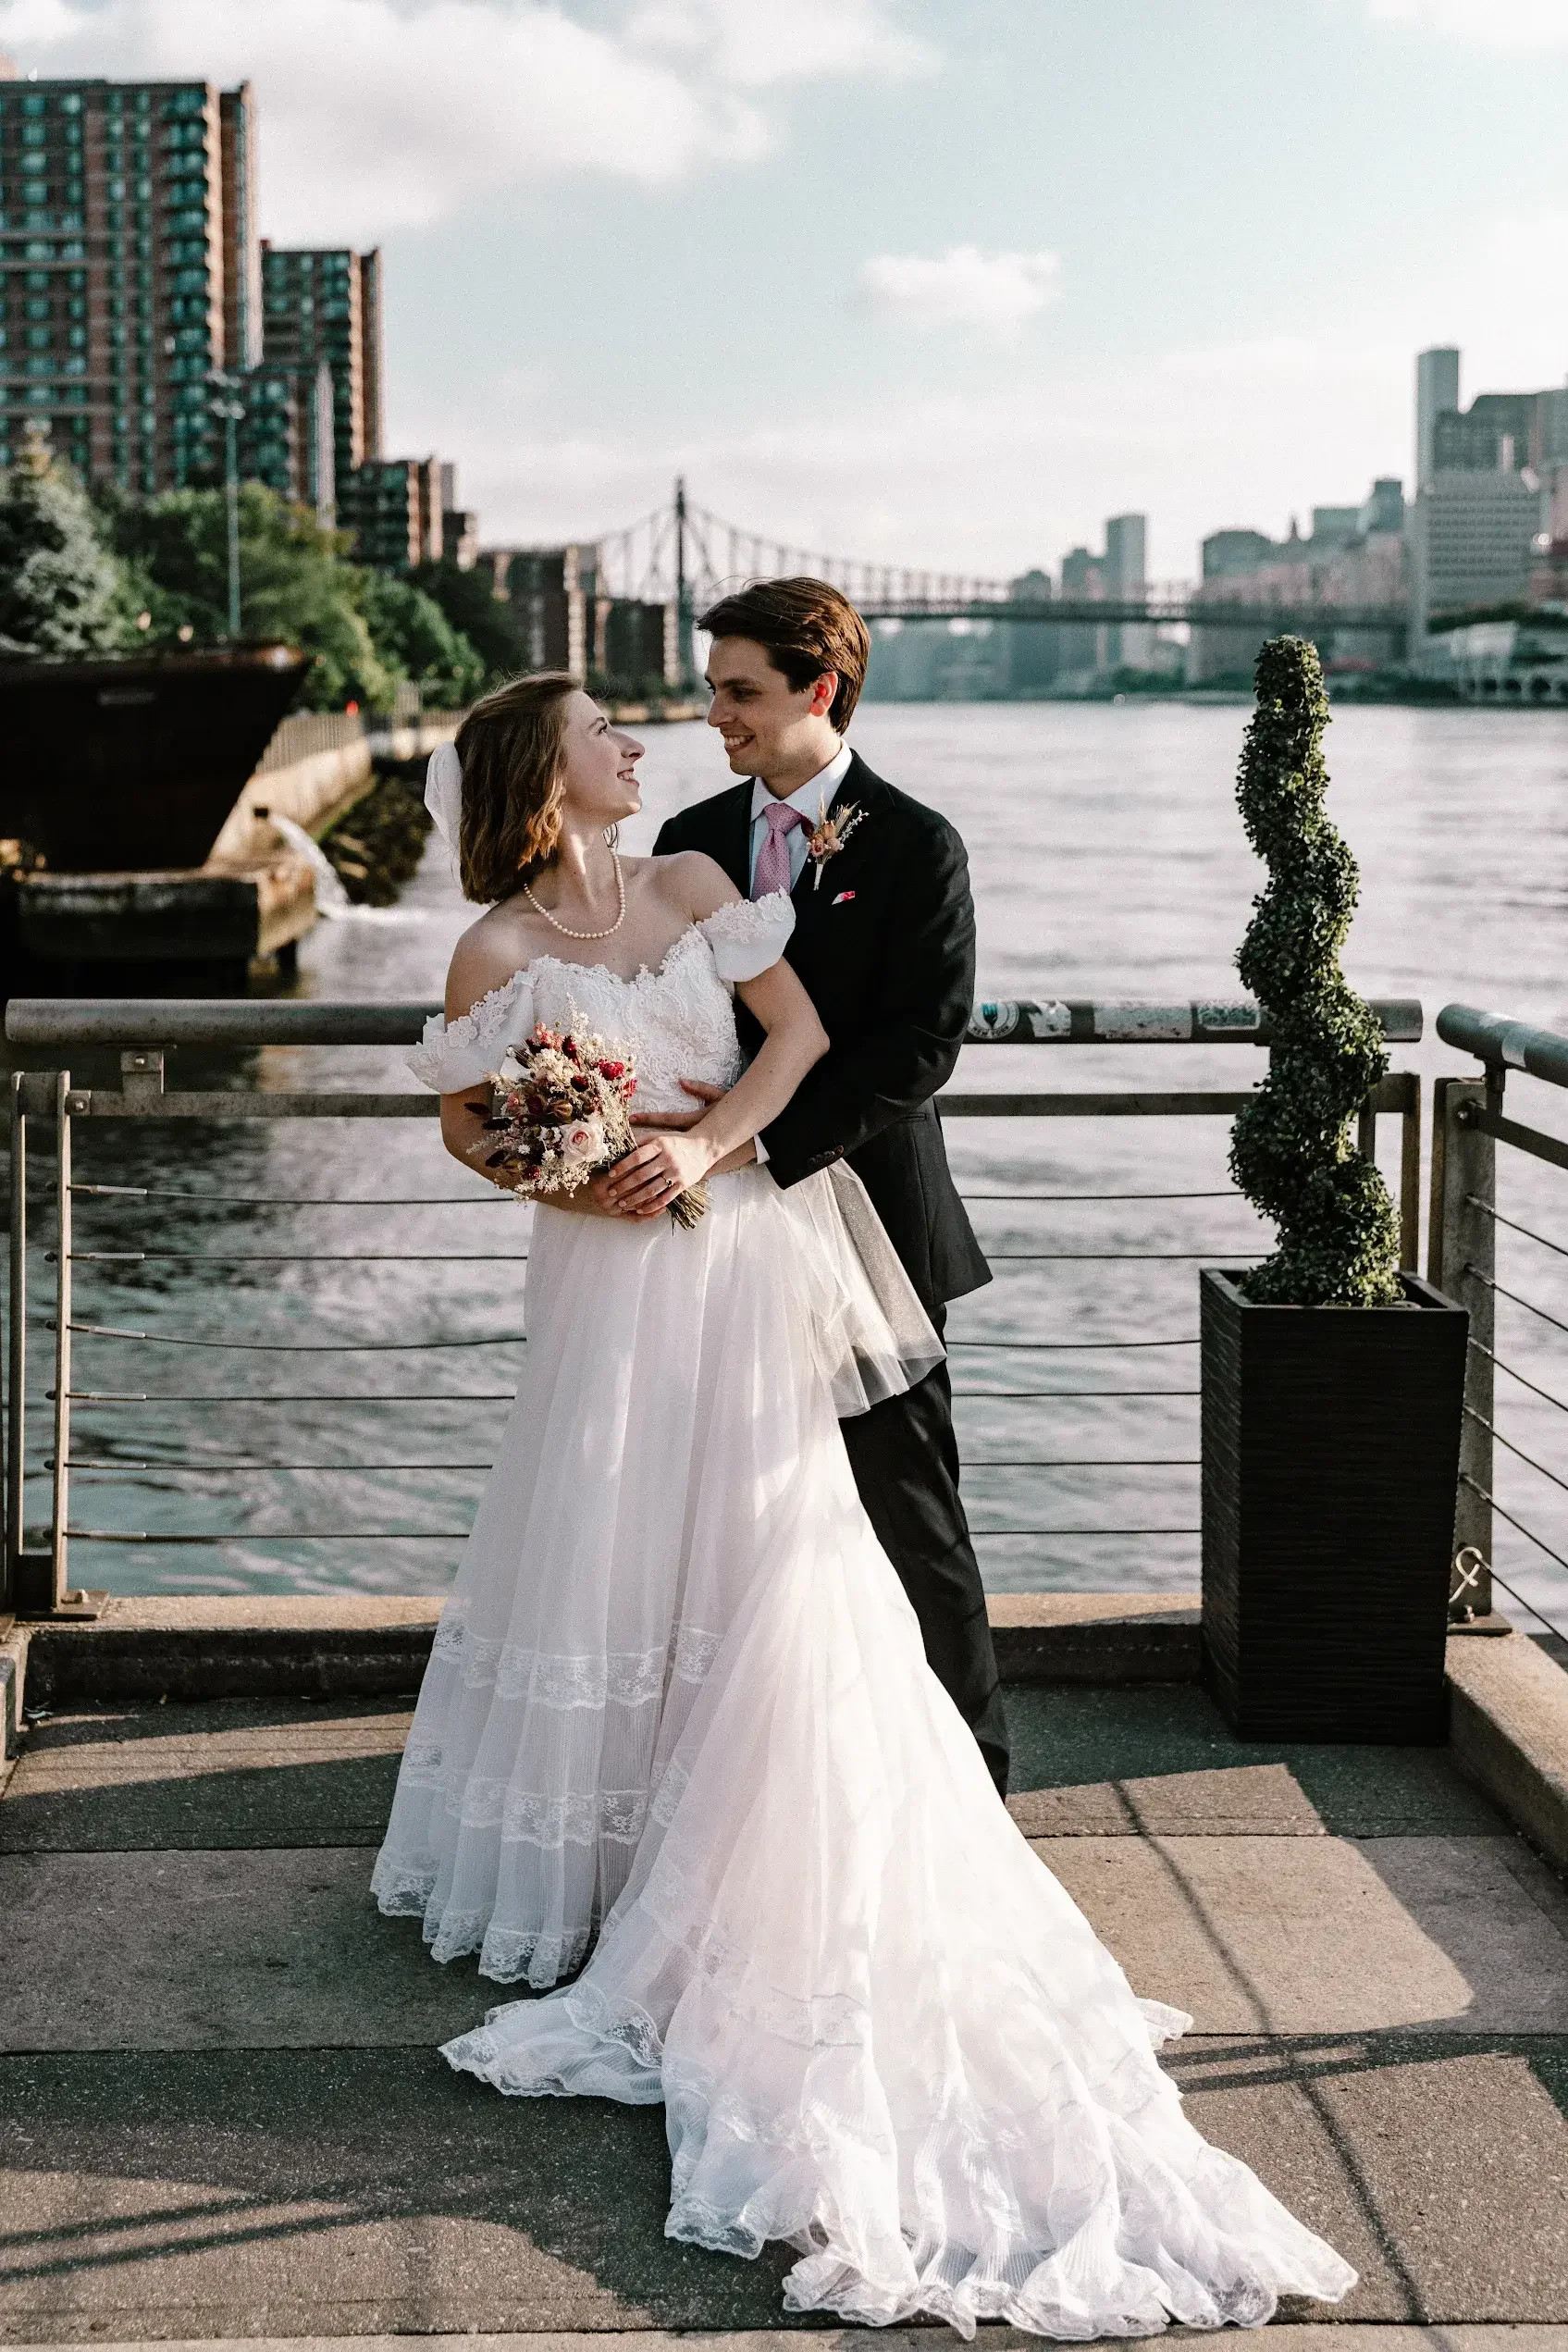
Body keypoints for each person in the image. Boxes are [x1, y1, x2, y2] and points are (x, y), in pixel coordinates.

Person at [371, 669, 1356, 2338]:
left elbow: (805, 1045)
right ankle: (611, 1855)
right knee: (601, 1542)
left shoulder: (696, 884)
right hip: (601, 1288)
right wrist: (557, 1154)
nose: (642, 743)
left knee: (774, 1555)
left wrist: (697, 1155)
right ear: (547, 769)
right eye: (608, 728)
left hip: (735, 1253)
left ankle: (747, 1842)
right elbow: (467, 1130)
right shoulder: (488, 950)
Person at [653, 579, 1008, 1795]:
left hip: (873, 1224)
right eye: (713, 690)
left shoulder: (917, 843)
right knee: (730, 1513)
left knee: (909, 1513)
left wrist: (756, 1140)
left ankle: (970, 1786)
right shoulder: (688, 838)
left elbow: (922, 1043)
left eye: (740, 691)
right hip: (717, 1228)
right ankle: (757, 1789)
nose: (717, 716)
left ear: (819, 690)